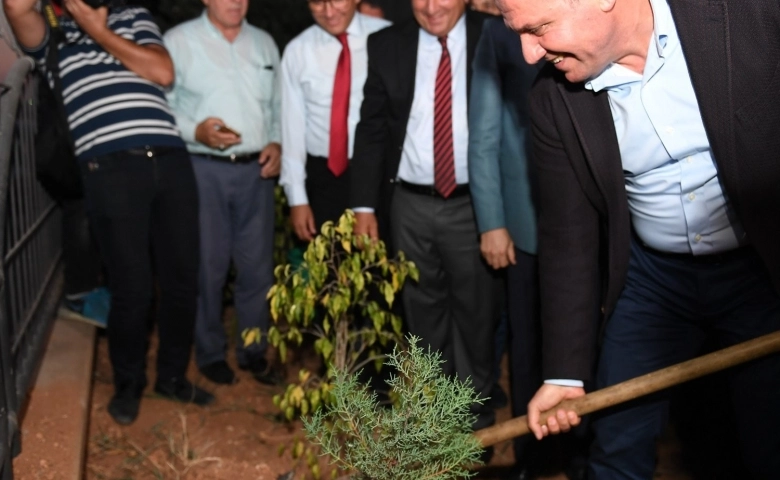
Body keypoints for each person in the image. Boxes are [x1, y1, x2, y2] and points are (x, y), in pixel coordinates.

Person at [495, 0, 780, 478]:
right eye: (519, 33)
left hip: (760, 273)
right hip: (653, 285)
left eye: (539, 28)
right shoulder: (553, 99)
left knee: (768, 442)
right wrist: (565, 372)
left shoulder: (749, 18)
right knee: (617, 447)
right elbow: (569, 234)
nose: (527, 54)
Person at [4, 0, 214, 426]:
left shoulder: (133, 17)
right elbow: (15, 5)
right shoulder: (53, 38)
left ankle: (171, 377)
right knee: (131, 286)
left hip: (171, 160)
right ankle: (128, 384)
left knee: (182, 278)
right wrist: (80, 22)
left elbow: (162, 72)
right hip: (110, 167)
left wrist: (100, 31)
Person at [350, 0, 497, 433]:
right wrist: (364, 207)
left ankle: (474, 420)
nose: (431, 8)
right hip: (409, 205)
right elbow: (372, 127)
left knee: (476, 315)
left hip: (476, 205)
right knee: (421, 314)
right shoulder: (386, 44)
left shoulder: (496, 35)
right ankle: (434, 416)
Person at [164, 0, 282, 386]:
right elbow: (158, 106)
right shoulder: (177, 41)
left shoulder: (265, 43)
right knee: (207, 268)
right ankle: (210, 352)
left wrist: (277, 142)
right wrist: (195, 130)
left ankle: (253, 350)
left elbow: (280, 107)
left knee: (257, 269)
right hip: (202, 171)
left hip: (257, 173)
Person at [466, 15, 549, 478]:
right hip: (527, 223)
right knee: (528, 346)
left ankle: (582, 452)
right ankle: (531, 456)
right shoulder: (499, 34)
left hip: (599, 223)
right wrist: (493, 220)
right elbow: (484, 136)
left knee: (597, 342)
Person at [279, 0, 389, 243]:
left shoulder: (387, 37)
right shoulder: (298, 50)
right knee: (331, 269)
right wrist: (297, 199)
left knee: (384, 268)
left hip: (380, 174)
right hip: (324, 177)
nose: (328, 13)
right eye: (318, 2)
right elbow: (292, 130)